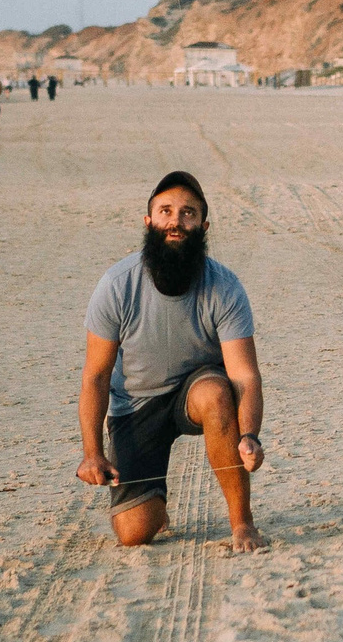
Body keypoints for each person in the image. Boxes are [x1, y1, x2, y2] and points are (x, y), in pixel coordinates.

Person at [75, 170, 268, 551]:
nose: (176, 222)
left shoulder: (224, 287)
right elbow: (95, 377)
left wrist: (250, 436)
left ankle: (242, 523)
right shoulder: (117, 285)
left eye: (188, 213)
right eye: (165, 211)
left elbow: (244, 376)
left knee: (216, 393)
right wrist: (92, 453)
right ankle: (154, 504)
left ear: (204, 225)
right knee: (134, 533)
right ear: (149, 222)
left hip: (194, 390)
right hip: (135, 403)